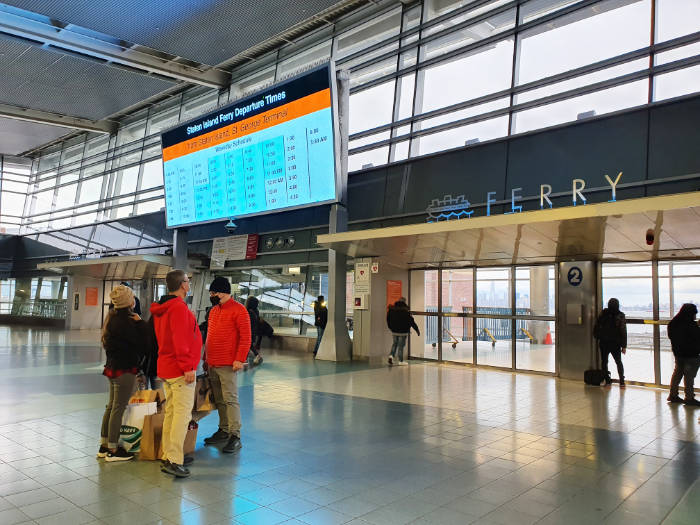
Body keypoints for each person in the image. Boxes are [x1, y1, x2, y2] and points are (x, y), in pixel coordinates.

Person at [150, 269, 201, 478]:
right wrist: (188, 367)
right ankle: (173, 460)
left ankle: (169, 453)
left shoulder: (164, 308)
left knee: (172, 413)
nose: (189, 285)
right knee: (181, 415)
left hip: (167, 368)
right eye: (188, 281)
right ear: (183, 284)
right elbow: (180, 340)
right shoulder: (178, 308)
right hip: (180, 370)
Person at [98, 285, 149, 462]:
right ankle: (113, 449)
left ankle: (104, 445)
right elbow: (145, 343)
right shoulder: (128, 322)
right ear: (129, 302)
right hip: (125, 370)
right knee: (118, 408)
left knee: (111, 406)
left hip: (112, 368)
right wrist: (141, 322)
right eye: (132, 297)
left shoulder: (111, 319)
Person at [203, 277, 251, 453]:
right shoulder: (214, 311)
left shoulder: (240, 310)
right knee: (220, 399)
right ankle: (223, 430)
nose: (212, 295)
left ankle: (235, 435)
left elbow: (246, 337)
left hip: (229, 363)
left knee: (230, 399)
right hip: (213, 362)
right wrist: (205, 357)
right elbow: (209, 336)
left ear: (223, 292)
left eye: (214, 293)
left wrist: (239, 358)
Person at [667, 303, 700, 406]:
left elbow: (671, 336)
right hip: (691, 355)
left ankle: (673, 395)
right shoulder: (691, 325)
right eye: (694, 314)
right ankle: (689, 397)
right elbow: (697, 338)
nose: (695, 316)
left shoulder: (673, 323)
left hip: (678, 354)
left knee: (677, 374)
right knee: (689, 376)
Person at [594, 298, 627, 387]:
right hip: (615, 343)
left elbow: (597, 326)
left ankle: (607, 380)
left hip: (603, 342)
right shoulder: (620, 315)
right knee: (618, 361)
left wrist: (597, 337)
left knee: (604, 362)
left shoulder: (603, 314)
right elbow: (623, 331)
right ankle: (622, 381)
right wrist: (624, 346)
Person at [386, 297, 420, 365]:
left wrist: (390, 327)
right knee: (400, 346)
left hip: (394, 331)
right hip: (403, 332)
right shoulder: (406, 311)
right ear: (404, 302)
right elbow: (411, 322)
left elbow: (388, 319)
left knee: (394, 344)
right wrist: (417, 330)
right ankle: (400, 361)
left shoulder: (392, 310)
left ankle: (391, 356)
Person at [245, 296, 263, 366]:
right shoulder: (255, 312)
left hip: (249, 332)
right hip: (253, 332)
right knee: (249, 345)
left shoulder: (248, 312)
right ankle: (247, 358)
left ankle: (256, 356)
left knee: (248, 345)